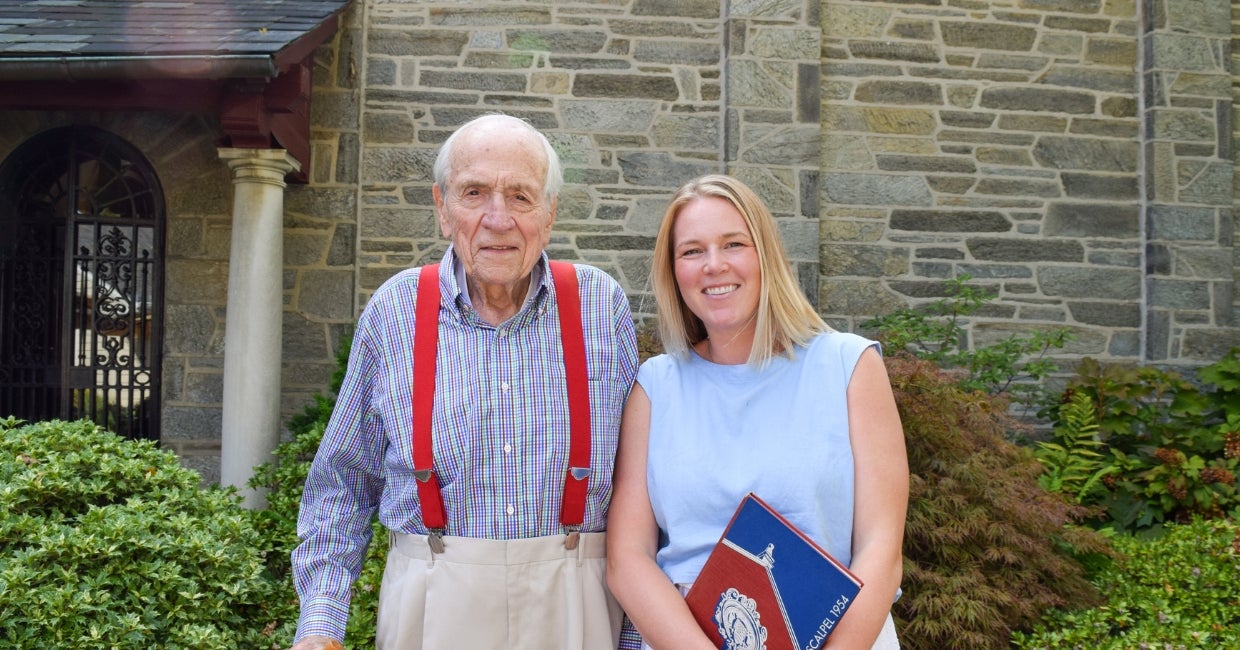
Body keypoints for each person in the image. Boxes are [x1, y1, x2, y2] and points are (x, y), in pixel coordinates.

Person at [289, 113, 640, 650]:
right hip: (430, 600)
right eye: (473, 192)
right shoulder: (394, 310)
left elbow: (639, 489)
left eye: (521, 197)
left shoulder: (601, 305)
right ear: (442, 208)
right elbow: (343, 482)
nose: (497, 219)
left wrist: (637, 637)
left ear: (550, 214)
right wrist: (319, 625)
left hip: (577, 602)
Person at [606, 174, 908, 649]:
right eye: (692, 251)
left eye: (733, 244)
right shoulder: (655, 387)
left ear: (766, 254)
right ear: (673, 271)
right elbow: (628, 558)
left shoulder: (848, 366)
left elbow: (882, 549)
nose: (713, 265)